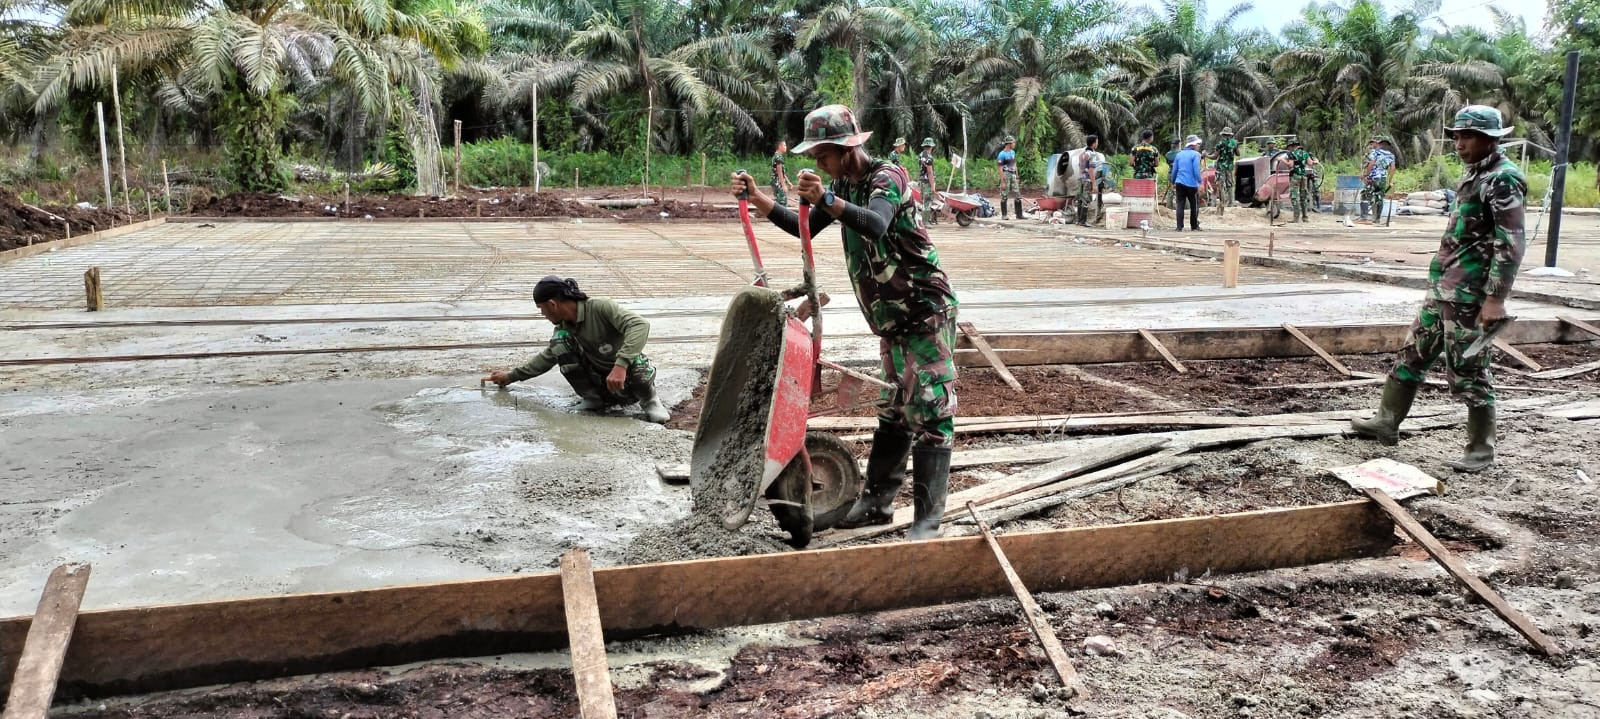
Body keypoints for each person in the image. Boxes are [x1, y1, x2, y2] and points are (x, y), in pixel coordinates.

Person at [731, 104, 959, 539]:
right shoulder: (842, 185)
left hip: (924, 311)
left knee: (931, 410)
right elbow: (805, 226)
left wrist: (828, 199)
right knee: (894, 409)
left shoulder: (886, 177)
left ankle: (929, 519)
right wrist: (760, 199)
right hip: (892, 321)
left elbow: (874, 224)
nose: (818, 164)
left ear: (845, 148)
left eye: (822, 156)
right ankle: (876, 503)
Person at [1351, 106, 1527, 473]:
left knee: (1469, 370)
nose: (1460, 144)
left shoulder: (1502, 179)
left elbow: (1510, 243)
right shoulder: (1473, 175)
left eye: (1468, 137)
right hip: (1444, 289)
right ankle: (1386, 422)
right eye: (1457, 137)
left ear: (1490, 139)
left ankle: (1480, 450)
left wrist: (1495, 299)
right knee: (1413, 354)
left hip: (1470, 295)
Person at [483, 276, 670, 424]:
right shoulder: (564, 329)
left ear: (552, 304)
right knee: (559, 342)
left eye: (542, 308)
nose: (543, 314)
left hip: (628, 380)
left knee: (635, 360)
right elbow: (547, 357)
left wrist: (620, 365)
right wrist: (510, 377)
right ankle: (593, 399)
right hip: (603, 383)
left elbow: (640, 325)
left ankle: (650, 400)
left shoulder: (600, 307)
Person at [1360, 136, 1396, 222]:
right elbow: (1392, 168)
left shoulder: (1374, 152)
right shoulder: (1391, 155)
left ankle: (1364, 217)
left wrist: (1366, 175)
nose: (1372, 145)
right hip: (1382, 179)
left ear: (1378, 144)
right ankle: (1377, 219)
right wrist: (1389, 180)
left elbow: (1371, 163)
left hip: (1373, 178)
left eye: (1373, 143)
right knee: (1379, 197)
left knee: (1365, 195)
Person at [1171, 135, 1203, 231]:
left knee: (1180, 204)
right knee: (1194, 205)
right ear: (1193, 145)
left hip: (1179, 182)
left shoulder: (1179, 155)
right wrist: (1200, 182)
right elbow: (1196, 170)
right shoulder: (1196, 155)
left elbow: (1174, 170)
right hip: (1191, 184)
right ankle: (1194, 226)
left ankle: (1179, 227)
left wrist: (1173, 181)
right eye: (1197, 144)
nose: (1198, 146)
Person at [1288, 139, 1317, 223]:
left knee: (1294, 196)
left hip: (1295, 176)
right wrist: (1316, 161)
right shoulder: (1305, 153)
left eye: (1290, 147)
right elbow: (1310, 163)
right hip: (1304, 177)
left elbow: (1290, 165)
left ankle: (1296, 218)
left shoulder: (1292, 154)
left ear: (1293, 146)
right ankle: (1305, 217)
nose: (1289, 149)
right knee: (1303, 197)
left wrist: (1281, 160)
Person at [1075, 134, 1101, 226]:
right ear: (1093, 144)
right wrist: (1094, 184)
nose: (1097, 144)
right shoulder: (1092, 154)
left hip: (1080, 178)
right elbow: (1091, 169)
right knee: (1086, 199)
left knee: (1080, 199)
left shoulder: (1082, 154)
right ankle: (1083, 221)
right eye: (1097, 142)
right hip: (1087, 179)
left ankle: (1078, 220)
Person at [1210, 128, 1239, 207]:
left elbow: (1215, 156)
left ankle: (1222, 203)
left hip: (1221, 167)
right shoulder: (1234, 143)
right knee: (1230, 184)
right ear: (1230, 135)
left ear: (1223, 135)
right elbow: (1238, 154)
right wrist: (1235, 147)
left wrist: (1206, 155)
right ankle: (1231, 203)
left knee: (1221, 184)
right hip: (1230, 167)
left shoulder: (1220, 144)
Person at [997, 135, 1021, 221]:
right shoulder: (1002, 154)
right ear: (1009, 144)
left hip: (1013, 174)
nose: (1014, 144)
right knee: (1004, 195)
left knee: (1017, 194)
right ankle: (1004, 215)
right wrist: (1002, 181)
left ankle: (1019, 214)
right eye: (1013, 143)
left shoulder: (1012, 152)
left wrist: (1017, 175)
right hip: (1006, 174)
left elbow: (1014, 164)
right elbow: (1000, 169)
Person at [918, 137, 938, 225]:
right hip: (927, 182)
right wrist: (933, 186)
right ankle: (925, 222)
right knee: (927, 202)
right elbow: (930, 172)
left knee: (924, 201)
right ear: (931, 147)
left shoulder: (921, 155)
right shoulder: (929, 157)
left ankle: (925, 219)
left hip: (921, 181)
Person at [770, 140, 792, 208]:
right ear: (780, 146)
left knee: (779, 201)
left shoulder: (777, 156)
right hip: (778, 182)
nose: (786, 147)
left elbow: (782, 172)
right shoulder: (778, 157)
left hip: (777, 181)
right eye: (784, 145)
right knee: (782, 202)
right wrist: (783, 185)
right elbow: (779, 172)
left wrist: (788, 182)